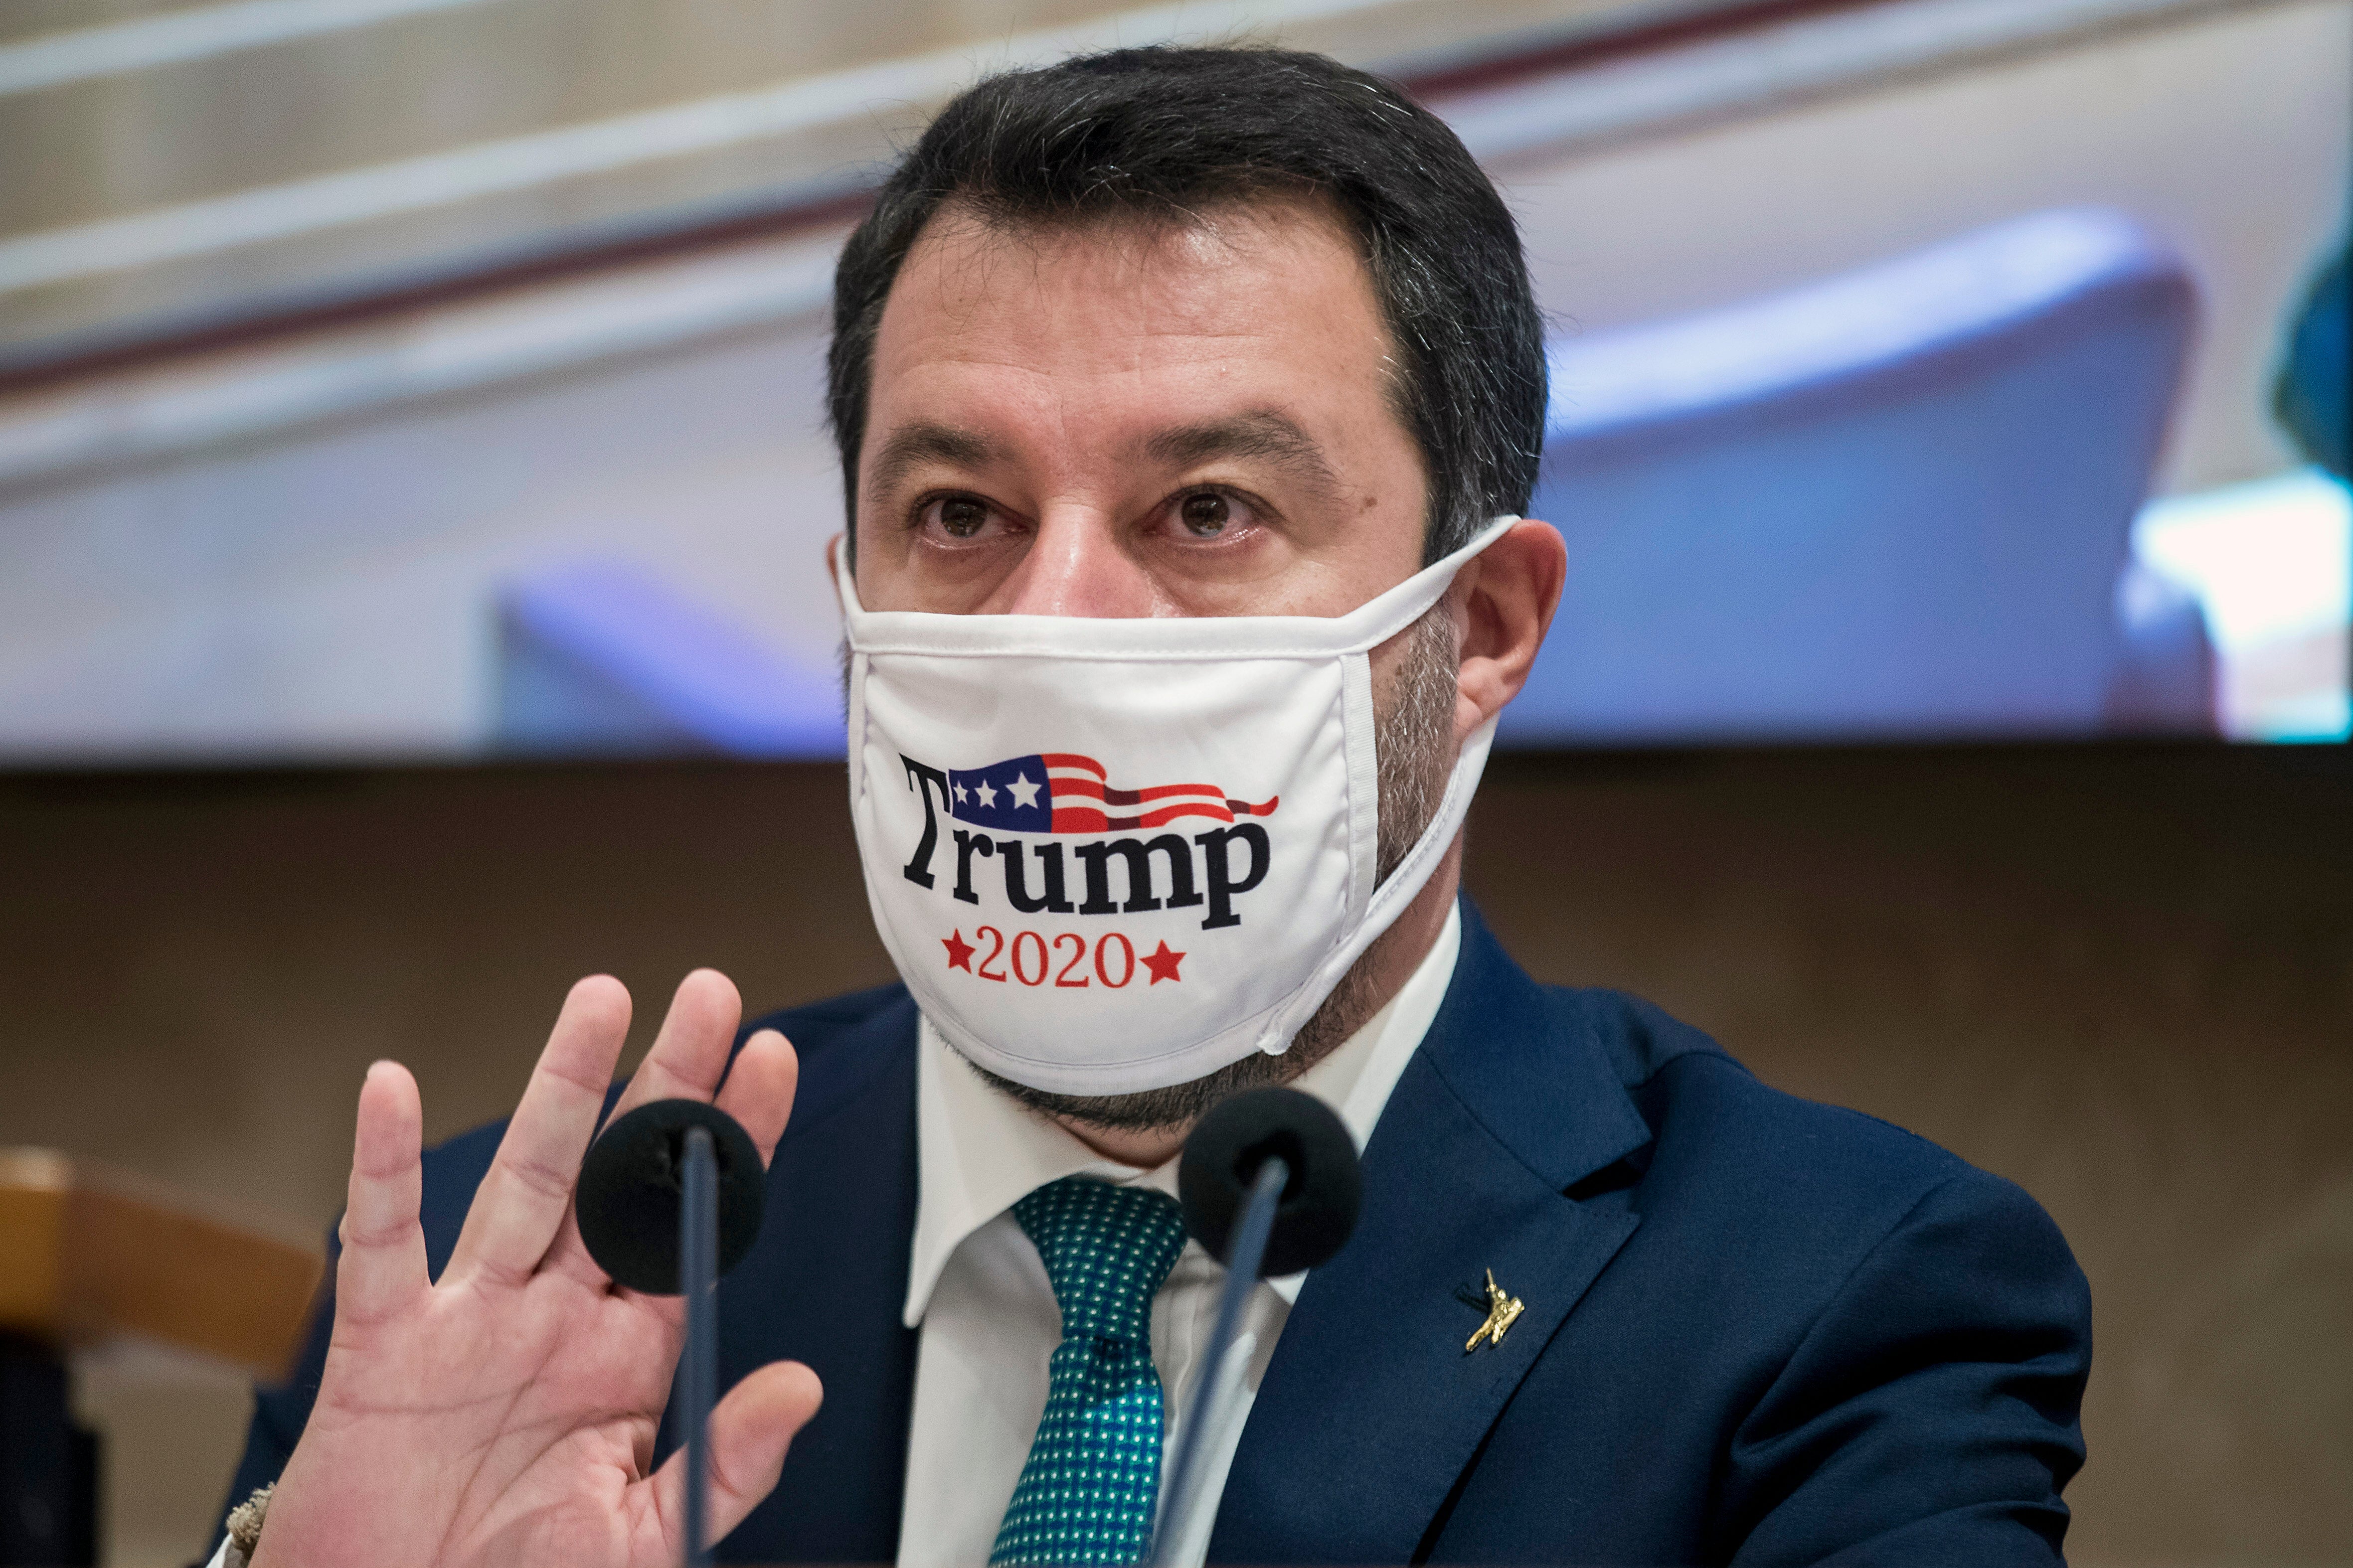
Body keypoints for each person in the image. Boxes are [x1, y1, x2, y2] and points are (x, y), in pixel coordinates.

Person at [214, 45, 2091, 1568]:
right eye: (959, 515)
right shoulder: (517, 1291)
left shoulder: (1828, 1299)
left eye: (1208, 510)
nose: (1053, 629)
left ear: (1486, 624)